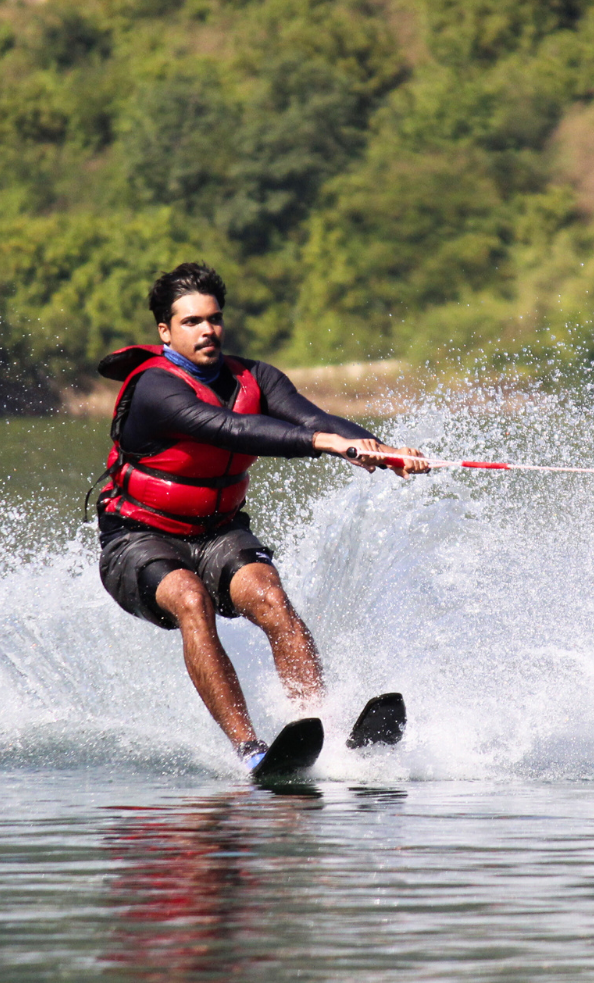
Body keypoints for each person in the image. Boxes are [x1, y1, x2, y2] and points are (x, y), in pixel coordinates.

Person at [95, 261, 427, 769]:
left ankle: (322, 732)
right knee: (189, 597)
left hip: (218, 531)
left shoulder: (256, 377)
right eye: (191, 322)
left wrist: (377, 448)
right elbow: (230, 430)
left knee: (268, 595)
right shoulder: (155, 389)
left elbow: (313, 418)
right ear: (164, 330)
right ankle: (250, 751)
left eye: (214, 318)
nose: (208, 330)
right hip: (137, 537)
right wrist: (325, 444)